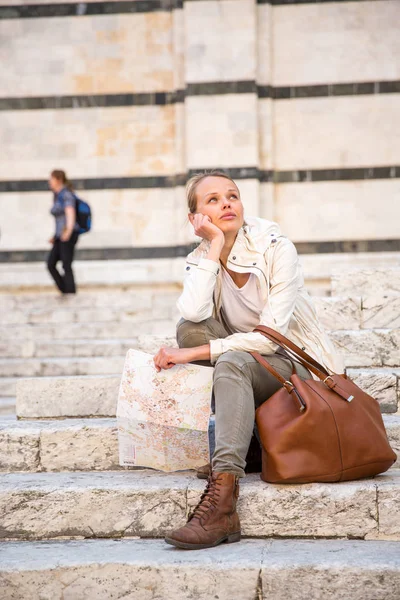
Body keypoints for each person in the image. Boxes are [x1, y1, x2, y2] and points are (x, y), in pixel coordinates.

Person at [153, 171, 342, 550]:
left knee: (230, 361)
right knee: (190, 330)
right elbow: (192, 313)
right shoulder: (204, 254)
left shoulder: (275, 246)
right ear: (196, 217)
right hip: (255, 361)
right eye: (212, 200)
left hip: (298, 365)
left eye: (232, 196)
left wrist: (193, 355)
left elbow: (272, 337)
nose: (226, 203)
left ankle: (223, 502)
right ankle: (251, 442)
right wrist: (215, 245)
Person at [47, 169, 80, 294]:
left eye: (51, 179)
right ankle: (65, 289)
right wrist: (55, 236)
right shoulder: (57, 195)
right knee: (51, 263)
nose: (49, 182)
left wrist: (68, 231)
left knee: (66, 264)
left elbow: (70, 213)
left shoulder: (66, 194)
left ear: (58, 180)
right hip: (60, 235)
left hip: (67, 234)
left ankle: (70, 291)